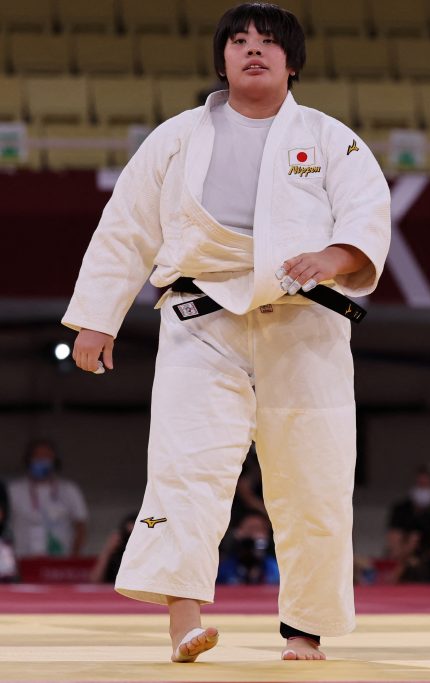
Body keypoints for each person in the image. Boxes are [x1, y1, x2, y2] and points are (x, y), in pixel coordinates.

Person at [62, 3, 390, 663]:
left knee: (313, 477)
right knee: (186, 467)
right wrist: (98, 316)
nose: (253, 50)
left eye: (269, 42)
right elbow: (128, 225)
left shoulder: (329, 138)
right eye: (239, 41)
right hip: (199, 316)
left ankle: (304, 629)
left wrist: (333, 256)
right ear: (222, 59)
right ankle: (184, 618)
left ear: (291, 61)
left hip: (304, 323)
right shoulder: (177, 136)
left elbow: (366, 211)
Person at [6, 439, 88, 558]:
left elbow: (81, 526)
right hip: (22, 560)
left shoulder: (69, 490)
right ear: (28, 459)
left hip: (60, 560)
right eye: (37, 456)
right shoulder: (13, 490)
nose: (41, 460)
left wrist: (73, 557)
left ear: (54, 460)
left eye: (46, 456)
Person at [217, 512, 279, 585]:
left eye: (257, 529)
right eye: (249, 529)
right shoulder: (224, 568)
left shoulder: (274, 569)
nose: (252, 535)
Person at [90, 514, 135, 583]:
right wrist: (107, 550)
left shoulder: (147, 554)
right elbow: (94, 580)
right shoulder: (114, 553)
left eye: (134, 536)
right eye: (128, 536)